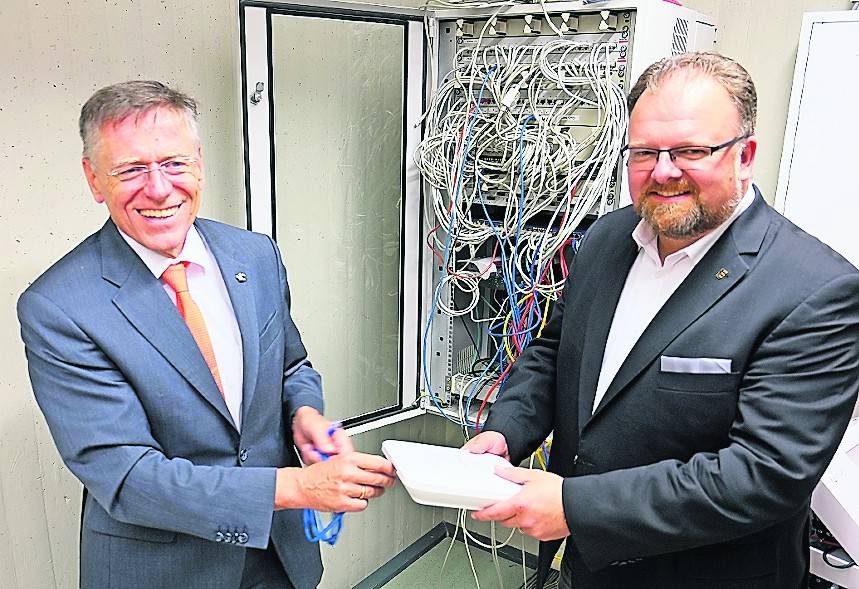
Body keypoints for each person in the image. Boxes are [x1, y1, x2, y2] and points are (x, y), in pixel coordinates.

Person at [464, 52, 859, 589]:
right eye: (645, 152)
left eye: (691, 150)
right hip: (582, 563)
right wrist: (506, 430)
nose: (664, 171)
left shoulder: (815, 290)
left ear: (745, 155)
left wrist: (579, 507)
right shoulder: (606, 238)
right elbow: (555, 354)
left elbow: (763, 475)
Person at [17, 80, 396, 589]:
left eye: (174, 163)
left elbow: (291, 366)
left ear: (199, 162)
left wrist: (304, 414)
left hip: (279, 555)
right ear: (93, 179)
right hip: (165, 570)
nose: (159, 188)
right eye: (131, 169)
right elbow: (127, 476)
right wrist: (296, 487)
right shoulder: (60, 307)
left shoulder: (254, 255)